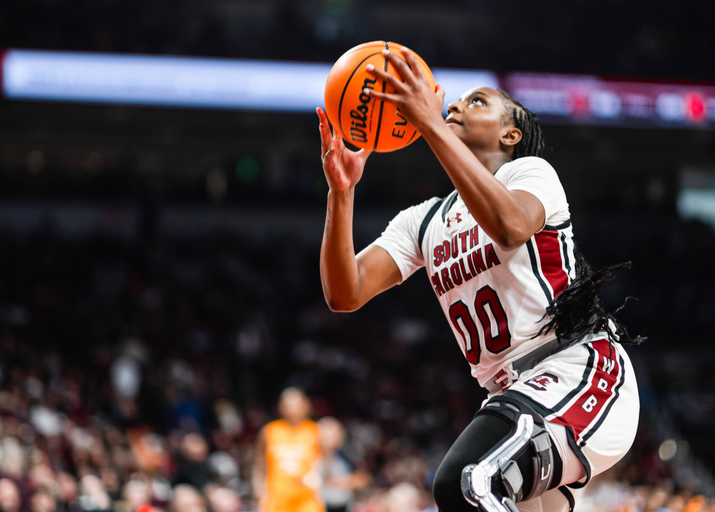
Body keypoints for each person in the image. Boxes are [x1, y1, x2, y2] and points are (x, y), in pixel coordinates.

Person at [316, 46, 641, 512]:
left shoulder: (531, 174)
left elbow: (508, 227)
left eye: (476, 102)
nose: (454, 107)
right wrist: (341, 193)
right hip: (515, 396)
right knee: (478, 489)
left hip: (578, 370)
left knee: (469, 481)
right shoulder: (422, 221)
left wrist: (428, 123)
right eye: (453, 104)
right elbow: (344, 293)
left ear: (510, 133)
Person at [252, 388, 324, 512]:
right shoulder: (269, 431)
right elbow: (259, 466)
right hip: (277, 499)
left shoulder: (316, 431)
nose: (292, 409)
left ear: (306, 406)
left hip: (307, 499)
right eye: (288, 405)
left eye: (297, 404)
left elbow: (325, 463)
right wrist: (259, 494)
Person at [318, 417, 371, 512]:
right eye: (326, 435)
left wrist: (346, 482)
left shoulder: (346, 454)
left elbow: (364, 478)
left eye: (335, 434)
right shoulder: (309, 456)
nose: (330, 438)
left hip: (343, 505)